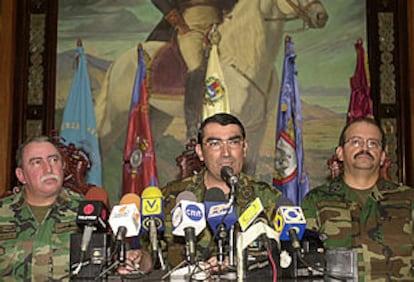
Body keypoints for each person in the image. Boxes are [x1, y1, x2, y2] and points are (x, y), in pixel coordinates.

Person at [0, 136, 152, 280]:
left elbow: (141, 261)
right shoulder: (2, 212)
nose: (48, 169)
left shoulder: (89, 210)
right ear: (21, 175)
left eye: (54, 160)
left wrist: (137, 260)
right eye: (37, 162)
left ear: (62, 167)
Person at [160, 113, 282, 269]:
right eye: (215, 144)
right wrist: (138, 260)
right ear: (200, 152)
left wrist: (242, 262)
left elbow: (286, 256)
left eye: (233, 142)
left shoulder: (267, 197)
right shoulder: (172, 196)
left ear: (244, 148)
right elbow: (149, 257)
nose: (226, 153)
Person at [301, 117, 414, 281]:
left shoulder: (408, 199)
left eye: (373, 143)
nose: (364, 148)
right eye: (355, 142)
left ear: (382, 156)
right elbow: (305, 266)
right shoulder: (316, 201)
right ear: (340, 153)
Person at [150, 0, 237, 140]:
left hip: (220, 28)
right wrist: (177, 21)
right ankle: (192, 127)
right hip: (190, 27)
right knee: (196, 67)